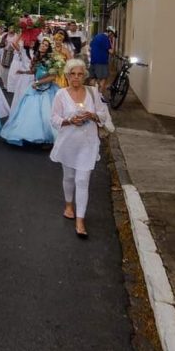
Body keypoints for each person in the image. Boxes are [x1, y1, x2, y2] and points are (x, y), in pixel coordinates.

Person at [49, 60, 109, 238]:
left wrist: (93, 115)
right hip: (68, 143)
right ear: (67, 76)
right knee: (69, 176)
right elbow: (53, 118)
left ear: (85, 75)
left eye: (80, 74)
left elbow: (104, 115)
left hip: (88, 144)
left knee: (82, 181)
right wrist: (69, 121)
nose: (76, 77)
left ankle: (80, 220)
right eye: (72, 74)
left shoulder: (93, 92)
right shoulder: (61, 94)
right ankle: (69, 205)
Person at [0, 38, 59, 146]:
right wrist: (24, 71)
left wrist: (38, 82)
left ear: (49, 48)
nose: (43, 46)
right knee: (28, 112)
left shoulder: (51, 59)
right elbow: (34, 72)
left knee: (46, 114)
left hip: (47, 89)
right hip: (35, 87)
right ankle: (29, 135)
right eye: (42, 44)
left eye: (46, 45)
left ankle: (47, 139)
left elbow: (53, 77)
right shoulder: (36, 57)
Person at [88, 29, 113, 101]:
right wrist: (111, 43)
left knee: (93, 78)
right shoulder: (105, 38)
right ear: (110, 33)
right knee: (103, 78)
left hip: (93, 60)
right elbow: (111, 51)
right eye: (112, 35)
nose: (112, 37)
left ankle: (92, 96)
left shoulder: (96, 36)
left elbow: (90, 47)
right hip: (102, 61)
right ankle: (100, 97)